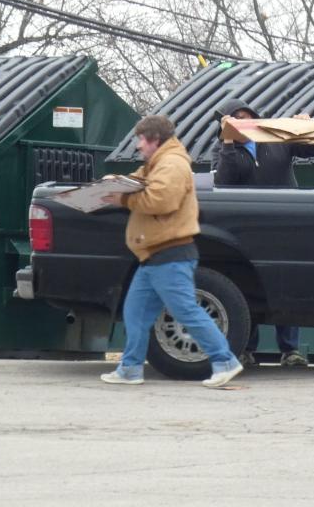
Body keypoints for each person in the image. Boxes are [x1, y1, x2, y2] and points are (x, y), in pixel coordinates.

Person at [99, 115, 242, 388]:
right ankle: (130, 368)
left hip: (170, 254)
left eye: (141, 140)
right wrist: (113, 181)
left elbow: (161, 200)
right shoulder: (157, 163)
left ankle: (225, 361)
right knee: (135, 312)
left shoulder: (172, 164)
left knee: (186, 310)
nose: (138, 146)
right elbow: (138, 180)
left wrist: (122, 198)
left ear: (154, 140)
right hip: (154, 255)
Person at [212, 97, 314, 368]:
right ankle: (247, 349)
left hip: (284, 225)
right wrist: (227, 142)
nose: (244, 121)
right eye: (236, 117)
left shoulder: (275, 139)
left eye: (247, 115)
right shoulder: (224, 151)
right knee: (249, 288)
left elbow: (312, 151)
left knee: (287, 285)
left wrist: (306, 127)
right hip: (247, 230)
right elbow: (224, 180)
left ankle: (291, 350)